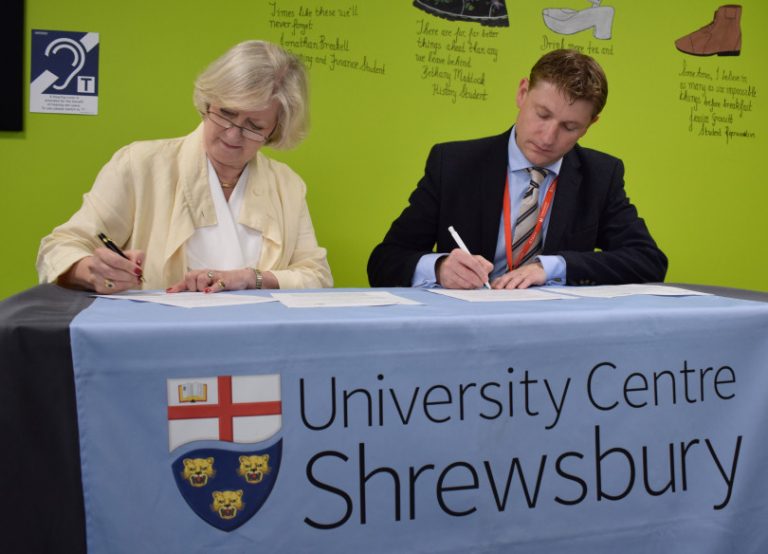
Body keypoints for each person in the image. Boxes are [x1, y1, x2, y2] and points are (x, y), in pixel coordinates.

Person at [37, 40, 332, 294]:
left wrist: (252, 278)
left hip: (258, 339)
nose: (232, 135)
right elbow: (58, 247)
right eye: (226, 114)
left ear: (275, 131)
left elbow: (317, 276)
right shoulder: (140, 165)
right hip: (154, 336)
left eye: (254, 126)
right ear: (208, 102)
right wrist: (90, 270)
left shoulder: (287, 185)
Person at [368, 49, 667, 290]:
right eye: (542, 114)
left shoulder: (601, 176)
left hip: (556, 331)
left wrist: (552, 267)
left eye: (569, 127)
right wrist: (439, 267)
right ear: (523, 93)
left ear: (590, 124)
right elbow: (384, 261)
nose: (548, 137)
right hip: (465, 327)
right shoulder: (453, 164)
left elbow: (648, 261)